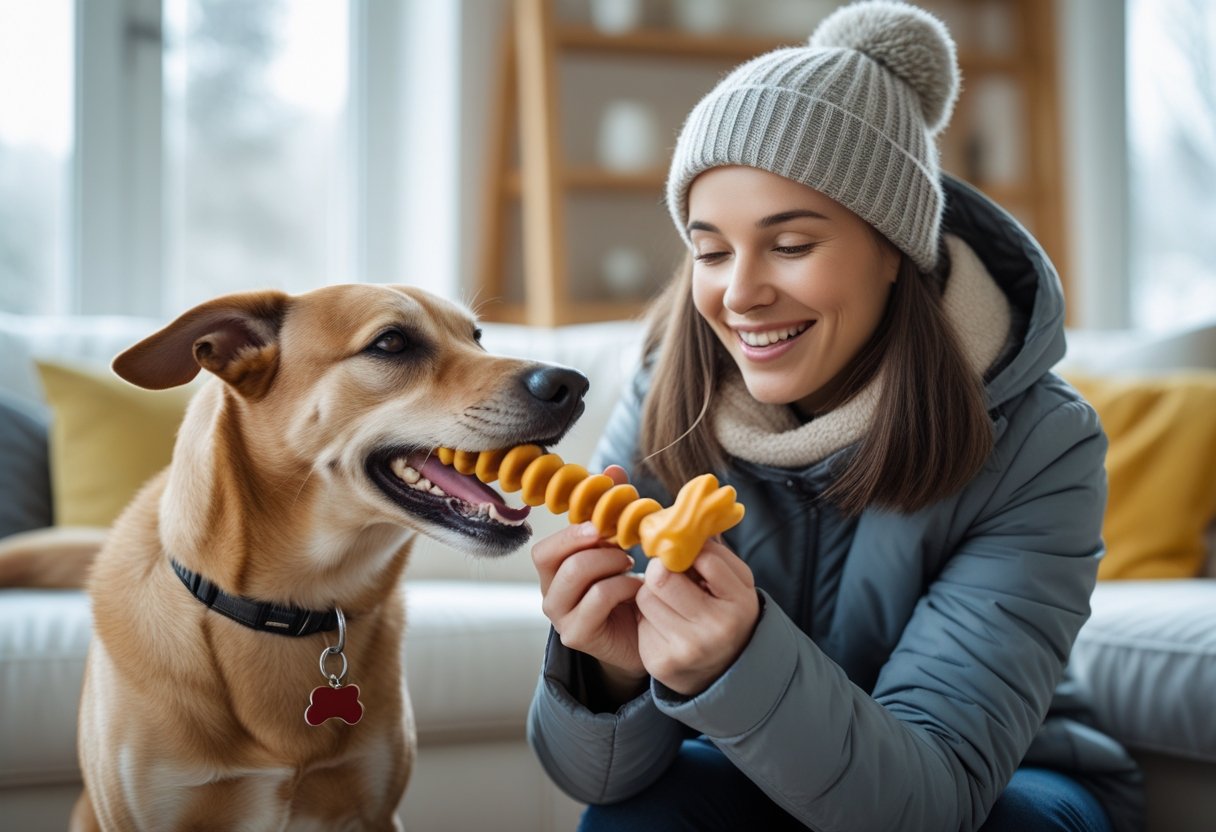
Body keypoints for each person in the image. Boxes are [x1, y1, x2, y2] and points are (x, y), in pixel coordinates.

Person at [525, 2, 1143, 830]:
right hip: (753, 760)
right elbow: (592, 780)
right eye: (710, 250)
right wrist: (606, 675)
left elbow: (933, 800)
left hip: (998, 785)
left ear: (894, 250)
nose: (740, 293)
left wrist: (739, 661)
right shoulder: (664, 399)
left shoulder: (1042, 444)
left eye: (790, 245)